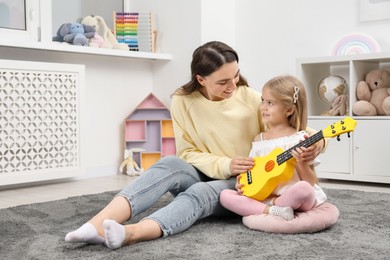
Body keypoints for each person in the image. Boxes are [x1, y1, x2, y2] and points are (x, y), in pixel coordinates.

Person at [64, 41, 324, 249]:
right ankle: (96, 224)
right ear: (201, 80)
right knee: (168, 163)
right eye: (223, 82)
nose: (233, 86)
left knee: (201, 193)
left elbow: (298, 129)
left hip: (244, 183)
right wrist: (225, 163)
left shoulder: (249, 97)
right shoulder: (182, 100)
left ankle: (131, 233)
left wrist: (318, 143)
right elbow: (187, 152)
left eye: (236, 76)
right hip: (207, 171)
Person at [219, 75, 327, 222]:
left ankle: (272, 207)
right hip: (266, 196)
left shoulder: (299, 140)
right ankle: (273, 209)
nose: (263, 107)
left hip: (295, 196)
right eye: (262, 100)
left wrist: (301, 163)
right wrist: (242, 181)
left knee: (304, 189)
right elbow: (253, 170)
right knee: (225, 195)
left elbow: (311, 182)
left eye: (270, 103)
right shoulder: (260, 139)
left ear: (289, 110)